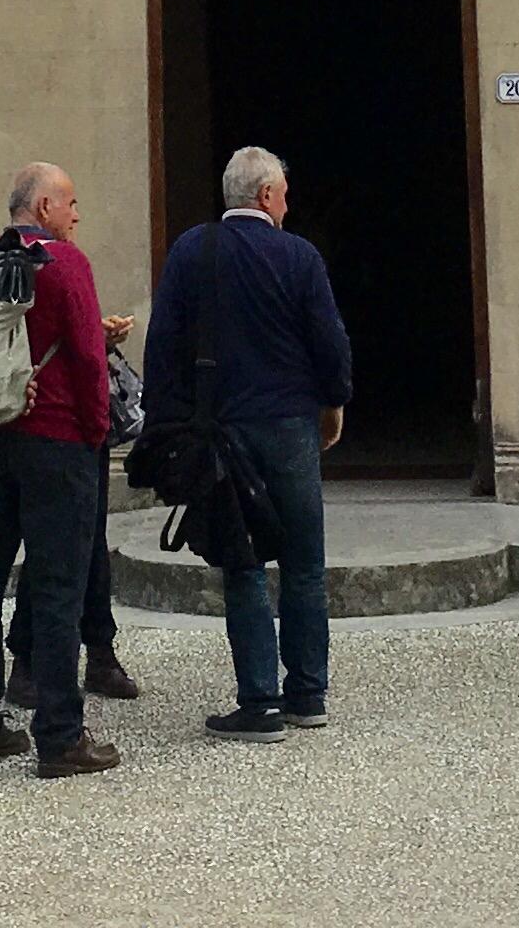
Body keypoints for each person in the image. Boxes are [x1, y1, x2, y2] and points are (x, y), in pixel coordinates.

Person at [144, 143, 353, 737]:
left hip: (222, 429)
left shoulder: (193, 250)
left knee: (243, 562)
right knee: (305, 563)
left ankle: (258, 700)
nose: (288, 205)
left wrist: (167, 423)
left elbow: (165, 344)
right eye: (283, 194)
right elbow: (329, 342)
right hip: (290, 424)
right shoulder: (300, 257)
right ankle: (308, 694)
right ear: (265, 195)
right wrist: (332, 402)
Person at [0, 162, 124, 776]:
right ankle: (61, 737)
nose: (76, 215)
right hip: (59, 442)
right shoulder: (67, 266)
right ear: (43, 207)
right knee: (58, 586)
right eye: (69, 203)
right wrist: (96, 432)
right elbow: (92, 363)